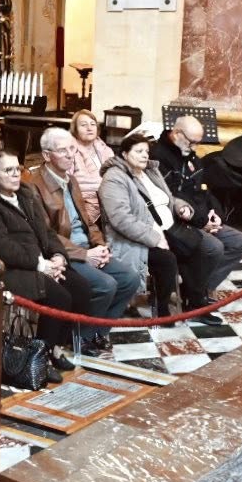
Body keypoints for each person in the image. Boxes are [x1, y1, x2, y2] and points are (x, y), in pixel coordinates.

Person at [0, 150, 93, 383]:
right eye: (8, 170)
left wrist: (58, 256)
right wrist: (40, 265)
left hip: (36, 263)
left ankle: (53, 348)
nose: (15, 175)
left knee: (81, 289)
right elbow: (0, 248)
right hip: (1, 271)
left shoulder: (25, 196)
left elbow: (47, 232)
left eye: (17, 169)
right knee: (59, 297)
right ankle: (39, 358)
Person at [26, 128, 141, 355]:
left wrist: (100, 246)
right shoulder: (33, 186)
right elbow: (45, 234)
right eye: (63, 150)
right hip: (62, 253)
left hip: (87, 248)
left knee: (130, 278)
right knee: (105, 285)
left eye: (72, 148)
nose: (70, 154)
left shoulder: (71, 180)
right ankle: (81, 337)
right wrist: (84, 255)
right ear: (47, 155)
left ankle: (97, 332)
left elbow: (88, 221)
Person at [98, 139, 223, 326]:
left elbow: (167, 197)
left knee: (202, 248)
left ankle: (194, 303)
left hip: (169, 228)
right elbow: (121, 219)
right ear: (124, 154)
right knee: (167, 258)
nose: (144, 155)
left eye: (146, 151)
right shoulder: (114, 178)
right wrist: (154, 238)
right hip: (137, 237)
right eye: (138, 151)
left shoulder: (150, 171)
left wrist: (180, 207)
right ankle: (162, 309)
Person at [150, 115, 242, 300]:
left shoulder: (190, 155)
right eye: (192, 142)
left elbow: (203, 190)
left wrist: (216, 215)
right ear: (177, 133)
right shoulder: (158, 158)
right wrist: (202, 222)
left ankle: (202, 287)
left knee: (240, 242)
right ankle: (194, 294)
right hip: (176, 222)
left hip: (199, 218)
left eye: (198, 142)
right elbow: (171, 198)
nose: (195, 147)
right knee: (214, 247)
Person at [66, 110, 116, 225]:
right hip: (85, 203)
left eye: (93, 124)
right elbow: (64, 184)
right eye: (83, 125)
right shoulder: (69, 151)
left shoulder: (106, 150)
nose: (89, 128)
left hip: (110, 200)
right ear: (75, 129)